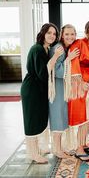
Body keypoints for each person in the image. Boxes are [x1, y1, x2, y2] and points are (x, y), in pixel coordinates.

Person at [21, 23, 62, 163]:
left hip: (39, 89)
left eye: (54, 34)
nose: (52, 36)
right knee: (32, 121)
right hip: (32, 89)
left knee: (39, 118)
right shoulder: (37, 49)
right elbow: (42, 74)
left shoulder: (46, 48)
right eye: (49, 33)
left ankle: (40, 148)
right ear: (43, 33)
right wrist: (56, 57)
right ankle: (33, 153)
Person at [65, 20, 89, 161]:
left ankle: (83, 143)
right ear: (87, 31)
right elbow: (73, 63)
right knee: (83, 117)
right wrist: (81, 82)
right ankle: (79, 149)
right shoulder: (79, 43)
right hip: (80, 85)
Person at [47, 24, 79, 158]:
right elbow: (58, 71)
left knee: (60, 117)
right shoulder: (58, 48)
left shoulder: (65, 47)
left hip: (61, 88)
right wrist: (69, 59)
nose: (70, 37)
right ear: (62, 35)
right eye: (67, 34)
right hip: (56, 89)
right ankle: (57, 149)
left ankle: (59, 148)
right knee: (57, 118)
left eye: (72, 34)